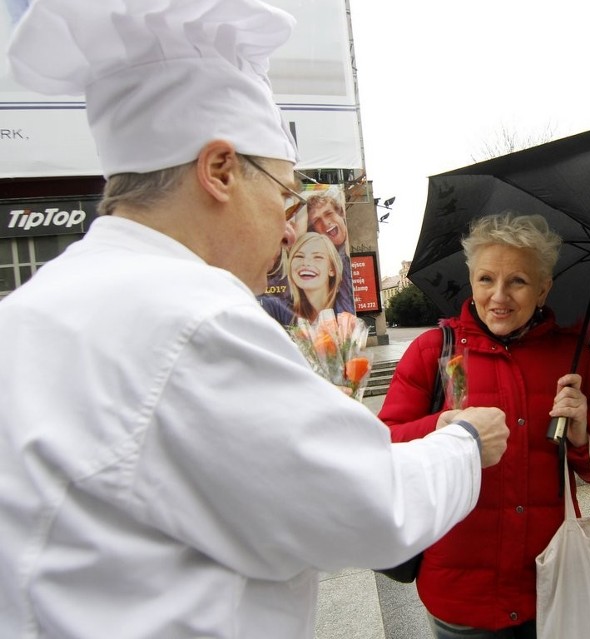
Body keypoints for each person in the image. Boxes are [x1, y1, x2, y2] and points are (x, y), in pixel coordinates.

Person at [0, 2, 510, 638]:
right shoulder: (191, 320)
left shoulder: (29, 311)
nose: (286, 221)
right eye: (283, 191)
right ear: (219, 171)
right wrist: (465, 444)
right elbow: (366, 505)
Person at [379, 212, 590, 638]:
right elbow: (382, 450)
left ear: (543, 288)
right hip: (462, 593)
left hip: (552, 586)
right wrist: (442, 425)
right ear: (470, 280)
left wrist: (584, 428)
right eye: (486, 279)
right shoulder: (433, 352)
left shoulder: (573, 360)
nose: (499, 296)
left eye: (518, 281)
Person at [306, 188, 355, 314]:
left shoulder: (345, 261)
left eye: (328, 214)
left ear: (341, 213)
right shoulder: (323, 265)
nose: (326, 222)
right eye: (317, 221)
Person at [288, 231, 342, 322]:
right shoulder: (284, 312)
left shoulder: (344, 311)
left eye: (317, 257)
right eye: (299, 256)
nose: (306, 263)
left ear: (332, 269)